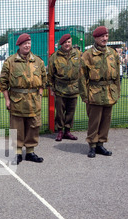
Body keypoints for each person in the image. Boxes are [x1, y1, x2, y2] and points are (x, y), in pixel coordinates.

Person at [0, 33, 46, 165]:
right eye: (24, 43)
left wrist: (40, 95)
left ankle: (30, 152)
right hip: (17, 100)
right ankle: (18, 153)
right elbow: (2, 84)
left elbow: (43, 81)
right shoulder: (10, 62)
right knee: (17, 127)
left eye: (29, 43)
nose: (27, 45)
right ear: (19, 45)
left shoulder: (38, 61)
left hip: (34, 100)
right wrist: (7, 100)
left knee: (33, 126)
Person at [79, 26, 120, 158]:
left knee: (106, 120)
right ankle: (92, 145)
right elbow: (82, 77)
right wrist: (84, 95)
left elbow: (117, 76)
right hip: (94, 92)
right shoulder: (87, 55)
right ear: (95, 38)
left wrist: (117, 92)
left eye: (106, 36)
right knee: (94, 120)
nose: (105, 38)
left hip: (109, 92)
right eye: (102, 36)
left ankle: (101, 144)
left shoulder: (112, 53)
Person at [48, 34, 81, 141]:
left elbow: (83, 70)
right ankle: (60, 131)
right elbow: (50, 75)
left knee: (71, 111)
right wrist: (52, 88)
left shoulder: (78, 54)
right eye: (65, 42)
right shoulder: (54, 57)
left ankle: (68, 131)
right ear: (61, 44)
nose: (67, 44)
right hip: (60, 88)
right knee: (60, 112)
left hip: (74, 88)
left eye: (69, 42)